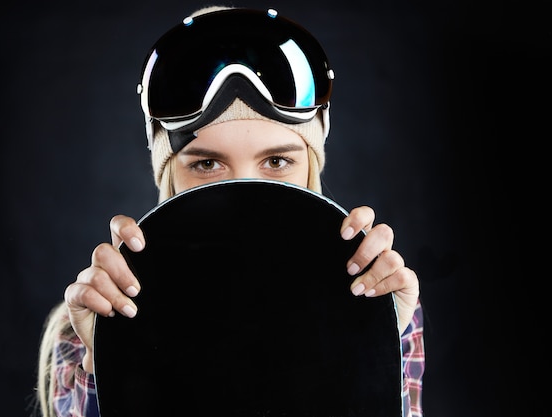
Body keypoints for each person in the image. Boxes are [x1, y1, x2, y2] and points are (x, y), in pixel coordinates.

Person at [35, 5, 425, 417]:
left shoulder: (377, 292)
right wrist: (110, 356)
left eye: (276, 162)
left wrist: (376, 340)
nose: (245, 191)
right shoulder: (91, 318)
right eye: (206, 164)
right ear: (168, 175)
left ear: (311, 163)